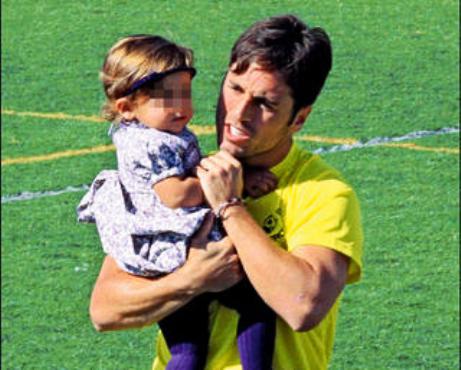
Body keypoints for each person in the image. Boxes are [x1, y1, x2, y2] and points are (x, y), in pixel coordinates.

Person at [89, 14, 363, 370]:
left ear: (299, 118)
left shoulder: (324, 193)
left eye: (264, 104)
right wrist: (193, 279)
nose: (238, 114)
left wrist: (230, 206)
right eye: (234, 88)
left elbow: (303, 305)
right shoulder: (180, 171)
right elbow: (105, 309)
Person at [78, 35, 277, 369]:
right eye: (167, 98)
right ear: (126, 107)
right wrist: (236, 180)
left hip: (163, 255)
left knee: (187, 350)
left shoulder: (146, 133)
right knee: (257, 306)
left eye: (184, 93)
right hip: (181, 247)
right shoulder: (152, 143)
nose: (181, 106)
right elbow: (175, 194)